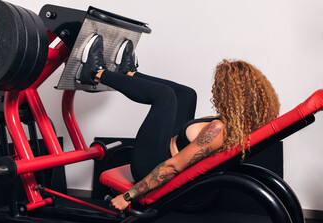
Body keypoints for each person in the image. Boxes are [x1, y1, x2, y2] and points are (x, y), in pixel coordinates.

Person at [77, 35, 280, 211]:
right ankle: (128, 75)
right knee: (187, 94)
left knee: (164, 96)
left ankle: (96, 72)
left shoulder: (218, 130)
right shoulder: (238, 124)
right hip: (165, 151)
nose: (215, 92)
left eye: (219, 88)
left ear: (232, 95)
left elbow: (173, 166)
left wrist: (127, 196)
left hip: (150, 166)